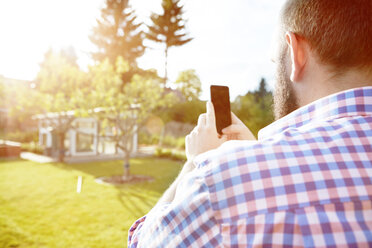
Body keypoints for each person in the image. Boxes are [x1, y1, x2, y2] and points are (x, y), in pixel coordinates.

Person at [128, 0, 372, 246]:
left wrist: (194, 164)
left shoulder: (221, 182)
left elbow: (142, 241)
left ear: (296, 52)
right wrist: (259, 151)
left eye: (276, 61)